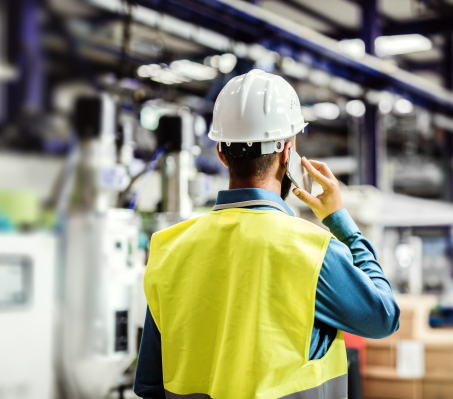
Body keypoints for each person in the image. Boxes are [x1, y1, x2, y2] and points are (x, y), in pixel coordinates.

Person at [134, 69, 400, 399]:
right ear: (288, 152)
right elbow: (384, 317)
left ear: (220, 152)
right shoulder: (314, 251)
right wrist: (341, 222)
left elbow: (149, 385)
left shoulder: (169, 248)